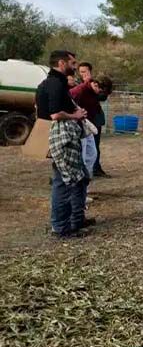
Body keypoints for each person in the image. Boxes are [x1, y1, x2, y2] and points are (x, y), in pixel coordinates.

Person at [36, 50, 90, 238]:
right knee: (64, 182)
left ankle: (76, 219)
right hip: (62, 137)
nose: (75, 67)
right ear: (61, 63)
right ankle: (61, 227)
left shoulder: (51, 83)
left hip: (63, 137)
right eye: (72, 63)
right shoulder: (55, 84)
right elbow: (55, 114)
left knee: (80, 178)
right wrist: (76, 115)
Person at [71, 75, 112, 181]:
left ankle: (86, 178)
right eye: (101, 91)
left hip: (87, 125)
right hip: (77, 126)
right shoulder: (79, 91)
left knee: (92, 153)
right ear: (96, 85)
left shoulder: (93, 92)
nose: (100, 94)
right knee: (82, 155)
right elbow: (68, 106)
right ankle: (79, 180)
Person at [78, 62, 110, 178]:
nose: (83, 74)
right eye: (81, 72)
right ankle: (86, 170)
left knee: (95, 145)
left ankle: (96, 168)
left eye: (85, 71)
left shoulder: (96, 83)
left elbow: (103, 96)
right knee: (84, 146)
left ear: (90, 71)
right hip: (83, 119)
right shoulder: (78, 85)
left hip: (95, 119)